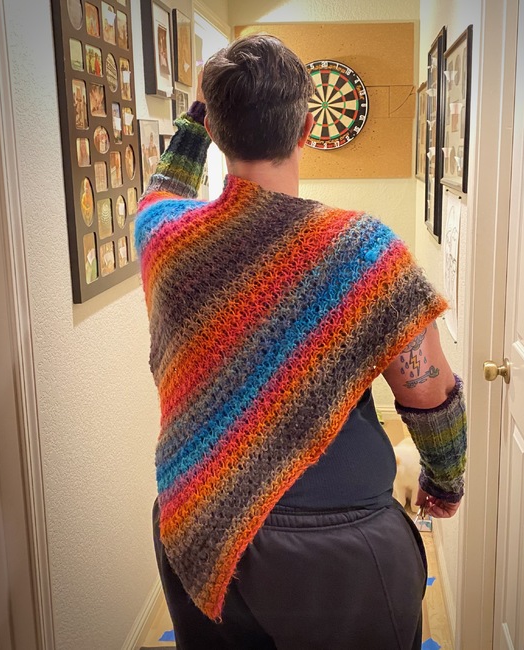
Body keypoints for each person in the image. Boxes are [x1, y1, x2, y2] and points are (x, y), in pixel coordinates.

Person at [134, 34, 467, 650]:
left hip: (195, 520)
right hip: (339, 548)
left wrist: (200, 114)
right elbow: (428, 391)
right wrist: (445, 480)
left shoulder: (163, 235)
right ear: (307, 128)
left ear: (217, 130)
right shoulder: (364, 252)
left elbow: (162, 188)